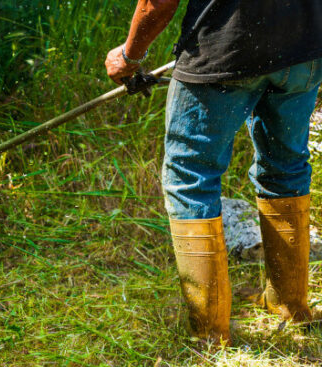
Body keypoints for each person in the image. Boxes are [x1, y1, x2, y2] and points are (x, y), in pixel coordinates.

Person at [105, 0, 322, 344]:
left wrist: (129, 56)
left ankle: (209, 334)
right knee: (286, 166)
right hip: (305, 47)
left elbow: (157, 2)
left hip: (227, 47)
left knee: (190, 176)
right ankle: (290, 305)